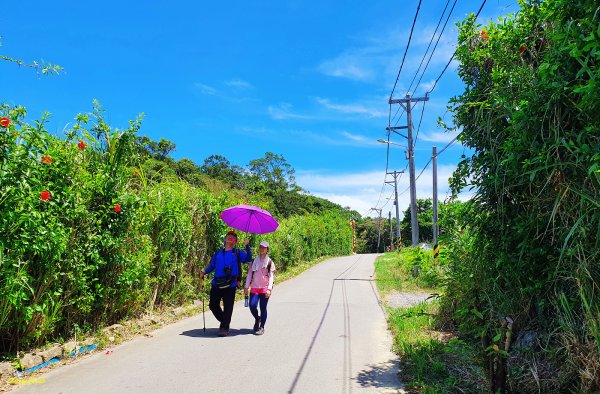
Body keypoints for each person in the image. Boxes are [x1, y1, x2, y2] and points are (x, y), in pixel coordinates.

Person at [200, 230, 252, 337]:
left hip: (231, 284)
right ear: (224, 239)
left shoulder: (238, 253)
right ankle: (225, 321)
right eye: (228, 236)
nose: (230, 237)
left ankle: (224, 327)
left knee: (228, 307)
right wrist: (204, 271)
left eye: (233, 237)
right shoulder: (217, 253)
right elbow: (211, 266)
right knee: (213, 305)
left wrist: (247, 246)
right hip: (217, 283)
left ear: (236, 241)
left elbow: (248, 258)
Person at [244, 240, 275, 335]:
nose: (261, 249)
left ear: (267, 250)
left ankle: (262, 327)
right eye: (260, 247)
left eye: (264, 248)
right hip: (254, 287)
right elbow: (250, 274)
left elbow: (271, 276)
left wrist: (269, 289)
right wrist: (246, 286)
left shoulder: (270, 262)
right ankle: (258, 318)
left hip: (265, 288)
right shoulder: (254, 261)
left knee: (263, 307)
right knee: (252, 306)